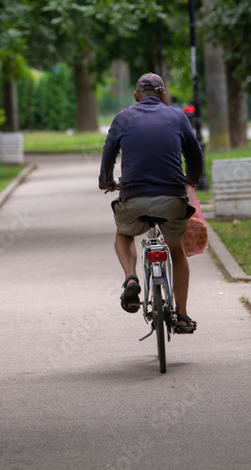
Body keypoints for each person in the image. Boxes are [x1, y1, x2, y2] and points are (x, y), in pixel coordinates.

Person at [98, 72, 204, 333]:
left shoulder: (122, 118)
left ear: (136, 96)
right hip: (172, 199)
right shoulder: (178, 116)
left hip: (133, 197)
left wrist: (106, 181)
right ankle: (182, 316)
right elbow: (195, 153)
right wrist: (192, 178)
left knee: (123, 234)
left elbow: (108, 153)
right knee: (176, 251)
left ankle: (131, 278)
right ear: (163, 96)